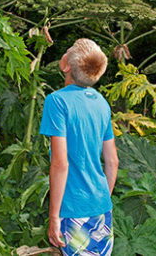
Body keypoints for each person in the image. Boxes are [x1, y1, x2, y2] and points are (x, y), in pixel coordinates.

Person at [39, 38, 119, 256]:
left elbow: (60, 163)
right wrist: (101, 198)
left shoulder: (56, 102)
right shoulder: (101, 103)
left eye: (68, 50)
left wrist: (54, 216)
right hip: (102, 206)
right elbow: (112, 162)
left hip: (74, 208)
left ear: (66, 66)